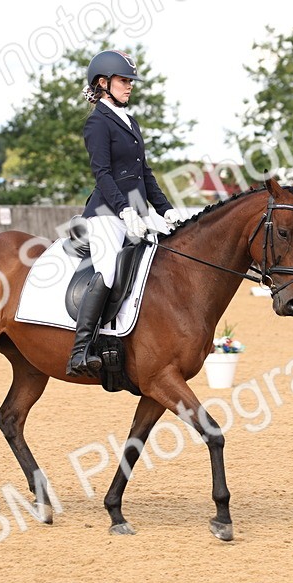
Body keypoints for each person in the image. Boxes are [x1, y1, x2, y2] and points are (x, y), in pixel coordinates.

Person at [66, 49, 181, 377]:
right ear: (103, 83)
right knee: (109, 271)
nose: (129, 86)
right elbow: (102, 173)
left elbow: (144, 173)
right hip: (105, 213)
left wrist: (166, 210)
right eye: (123, 80)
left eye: (130, 81)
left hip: (137, 212)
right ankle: (80, 349)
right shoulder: (97, 123)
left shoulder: (130, 121)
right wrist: (124, 209)